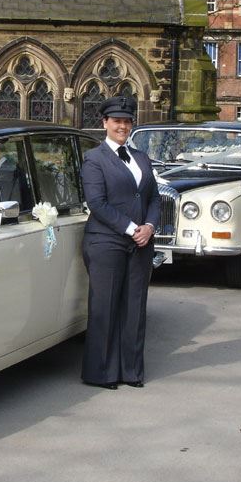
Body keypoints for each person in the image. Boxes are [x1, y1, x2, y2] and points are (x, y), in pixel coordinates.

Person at [80, 96, 160, 389]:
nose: (123, 126)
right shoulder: (94, 159)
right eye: (117, 121)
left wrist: (149, 227)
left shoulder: (141, 157)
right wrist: (131, 228)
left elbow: (153, 197)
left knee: (134, 307)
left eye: (127, 121)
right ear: (105, 123)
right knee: (105, 306)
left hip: (141, 242)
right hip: (106, 242)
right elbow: (97, 204)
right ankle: (102, 372)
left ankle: (131, 371)